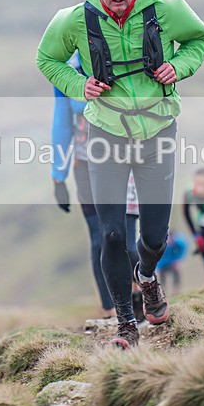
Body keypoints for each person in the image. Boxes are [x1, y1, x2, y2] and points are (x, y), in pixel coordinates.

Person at [38, 0, 204, 348]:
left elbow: (200, 39)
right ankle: (126, 325)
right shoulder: (74, 19)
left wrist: (178, 67)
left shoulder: (167, 8)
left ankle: (147, 278)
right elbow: (46, 60)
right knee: (112, 234)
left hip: (157, 133)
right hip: (105, 136)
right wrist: (80, 86)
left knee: (153, 238)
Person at [51, 52, 143, 321]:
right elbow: (61, 121)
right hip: (85, 167)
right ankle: (109, 309)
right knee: (99, 241)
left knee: (127, 242)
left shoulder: (126, 59)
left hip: (125, 165)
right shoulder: (66, 72)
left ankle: (139, 293)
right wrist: (58, 175)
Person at [155, 230, 187, 295]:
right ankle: (162, 291)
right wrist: (158, 267)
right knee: (160, 275)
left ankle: (176, 289)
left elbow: (182, 250)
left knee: (177, 271)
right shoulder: (161, 246)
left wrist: (178, 260)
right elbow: (157, 258)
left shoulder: (178, 244)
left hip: (172, 264)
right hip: (162, 265)